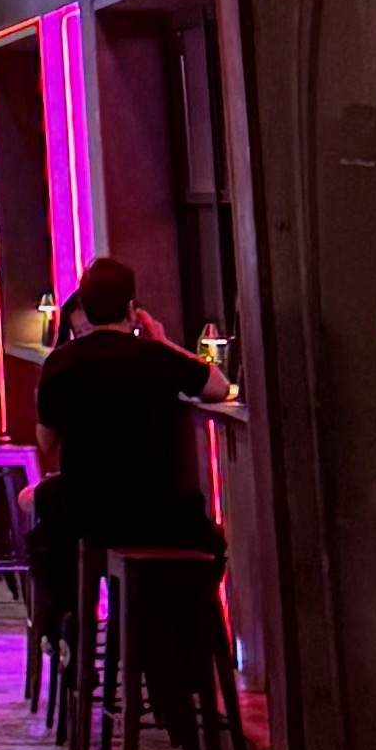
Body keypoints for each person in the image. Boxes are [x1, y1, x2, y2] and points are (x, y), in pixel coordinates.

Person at [30, 256, 231, 719]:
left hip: (89, 515)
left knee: (49, 529)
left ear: (82, 306)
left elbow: (46, 444)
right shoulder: (156, 359)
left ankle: (66, 628)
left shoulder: (61, 363)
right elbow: (218, 387)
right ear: (132, 307)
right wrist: (162, 341)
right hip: (161, 517)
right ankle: (180, 653)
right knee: (212, 542)